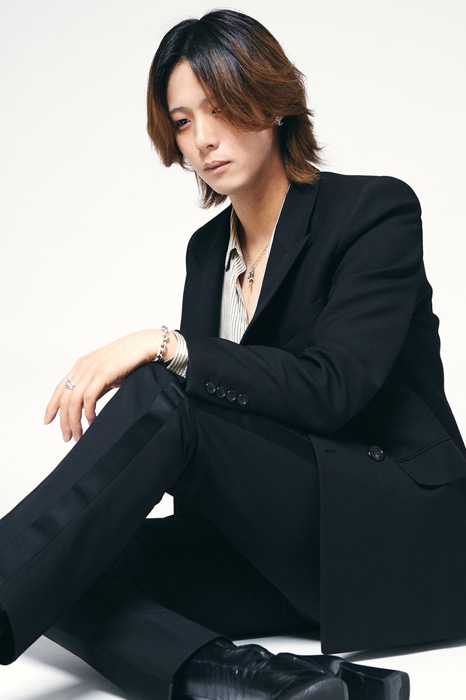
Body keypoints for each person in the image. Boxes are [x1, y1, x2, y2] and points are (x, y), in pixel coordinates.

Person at [1, 7, 465, 700]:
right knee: (69, 562)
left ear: (272, 103)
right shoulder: (206, 253)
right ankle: (256, 680)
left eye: (219, 108)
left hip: (384, 537)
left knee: (163, 385)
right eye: (183, 122)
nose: (204, 139)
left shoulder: (374, 212)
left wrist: (165, 345)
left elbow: (331, 388)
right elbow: (228, 435)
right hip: (273, 553)